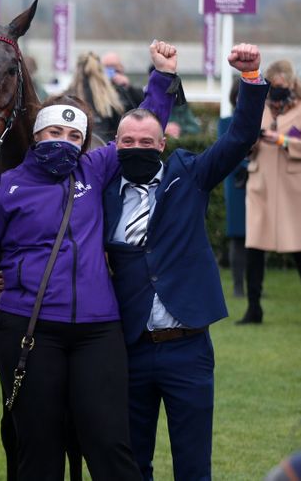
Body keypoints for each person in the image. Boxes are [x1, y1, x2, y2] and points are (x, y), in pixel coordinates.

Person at [0, 41, 179, 480]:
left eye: (75, 137)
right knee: (38, 451)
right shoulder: (2, 187)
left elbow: (144, 130)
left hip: (97, 332)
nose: (65, 143)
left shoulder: (94, 170)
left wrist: (163, 76)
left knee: (111, 446)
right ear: (36, 136)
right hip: (30, 332)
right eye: (55, 134)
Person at [103, 44, 267, 480]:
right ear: (115, 146)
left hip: (188, 346)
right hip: (130, 348)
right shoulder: (101, 193)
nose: (137, 147)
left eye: (145, 142)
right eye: (128, 142)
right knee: (132, 465)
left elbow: (239, 138)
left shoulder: (189, 175)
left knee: (194, 468)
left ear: (162, 144)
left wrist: (250, 79)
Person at [240, 59, 301, 324]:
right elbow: (239, 141)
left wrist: (283, 140)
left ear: (290, 83)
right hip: (261, 184)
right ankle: (254, 309)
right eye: (272, 86)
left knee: (298, 246)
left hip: (292, 188)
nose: (276, 91)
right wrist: (251, 143)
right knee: (254, 248)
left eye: (280, 86)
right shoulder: (257, 108)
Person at [218, 80, 248, 296]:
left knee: (259, 234)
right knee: (238, 234)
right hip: (236, 182)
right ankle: (238, 286)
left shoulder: (264, 121)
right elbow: (225, 152)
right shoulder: (226, 122)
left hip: (259, 181)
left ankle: (256, 284)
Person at [67, 51, 132, 141]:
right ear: (101, 70)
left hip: (77, 148)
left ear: (77, 70)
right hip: (107, 149)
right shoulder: (114, 97)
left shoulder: (68, 97)